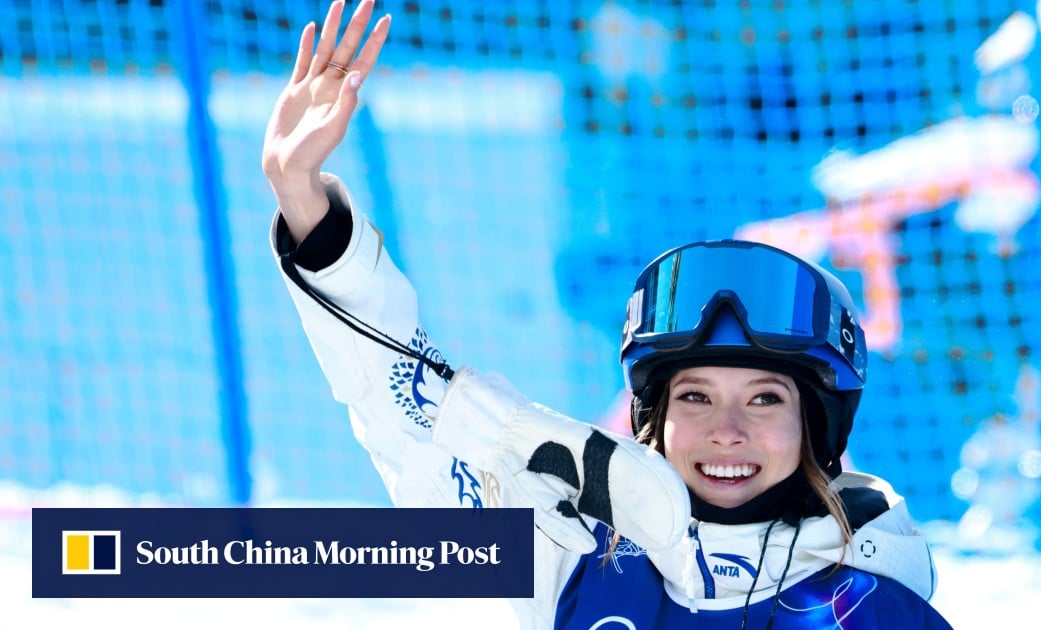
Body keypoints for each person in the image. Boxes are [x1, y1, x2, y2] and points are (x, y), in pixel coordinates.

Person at [262, 2, 953, 628]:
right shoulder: (576, 565)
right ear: (651, 419)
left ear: (818, 428)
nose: (728, 430)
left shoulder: (873, 607)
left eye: (766, 397)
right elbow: (410, 422)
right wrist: (310, 212)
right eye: (696, 396)